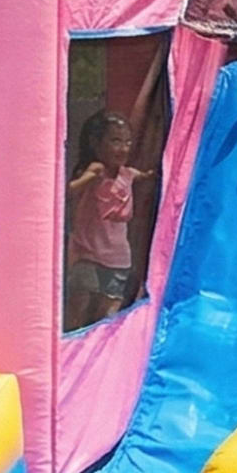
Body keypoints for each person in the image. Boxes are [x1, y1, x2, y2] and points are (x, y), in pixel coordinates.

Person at [64, 110, 151, 326]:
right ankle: (69, 349)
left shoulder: (128, 174)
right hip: (88, 256)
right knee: (79, 308)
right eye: (115, 141)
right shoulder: (95, 170)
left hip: (119, 260)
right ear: (96, 143)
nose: (123, 148)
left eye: (127, 142)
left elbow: (148, 177)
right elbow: (69, 191)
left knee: (106, 316)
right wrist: (87, 179)